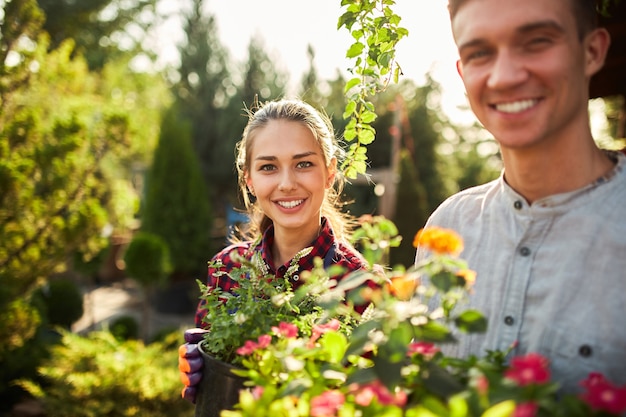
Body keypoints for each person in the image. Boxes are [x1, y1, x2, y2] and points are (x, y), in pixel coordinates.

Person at [416, 0, 626, 395]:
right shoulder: (447, 227)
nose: (504, 77)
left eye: (536, 42)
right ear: (463, 72)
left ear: (592, 51)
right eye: (480, 53)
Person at [179, 98, 375, 403]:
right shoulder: (226, 268)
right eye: (268, 167)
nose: (286, 183)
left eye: (304, 164)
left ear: (329, 172)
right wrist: (199, 368)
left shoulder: (360, 283)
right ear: (250, 179)